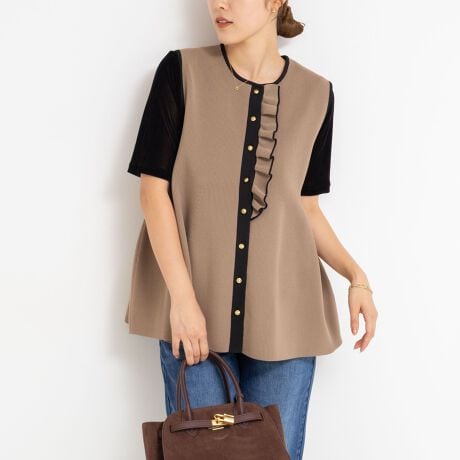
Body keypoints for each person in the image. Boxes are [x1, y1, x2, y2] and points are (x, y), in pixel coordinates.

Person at [125, 1, 379, 458]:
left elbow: (306, 209)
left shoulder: (317, 94)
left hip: (286, 320)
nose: (218, 4)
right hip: (196, 319)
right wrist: (182, 300)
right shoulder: (181, 72)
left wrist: (355, 275)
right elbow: (152, 192)